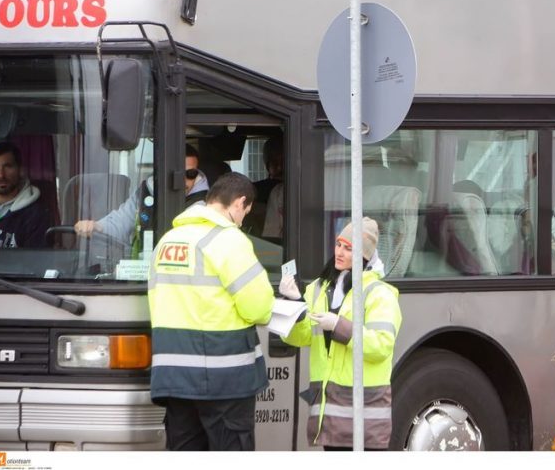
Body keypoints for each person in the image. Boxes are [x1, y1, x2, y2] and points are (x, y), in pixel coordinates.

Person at [148, 172, 274, 451]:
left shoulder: (168, 241)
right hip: (223, 377)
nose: (242, 221)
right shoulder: (230, 240)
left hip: (174, 377)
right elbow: (259, 307)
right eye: (246, 213)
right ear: (239, 203)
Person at [279, 217, 401, 450]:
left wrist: (338, 326)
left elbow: (381, 346)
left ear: (364, 255)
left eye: (349, 248)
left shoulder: (380, 293)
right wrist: (295, 304)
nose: (340, 252)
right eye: (338, 245)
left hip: (365, 419)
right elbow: (301, 337)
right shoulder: (318, 287)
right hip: (331, 416)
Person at [74, 145, 209, 254]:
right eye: (176, 174)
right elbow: (121, 221)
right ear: (162, 171)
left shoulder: (207, 203)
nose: (182, 180)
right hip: (144, 270)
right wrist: (96, 227)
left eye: (190, 174)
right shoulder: (145, 192)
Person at [0, 142, 53, 249]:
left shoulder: (36, 214)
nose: (1, 175)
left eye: (8, 166)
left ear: (20, 170)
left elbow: (35, 262)